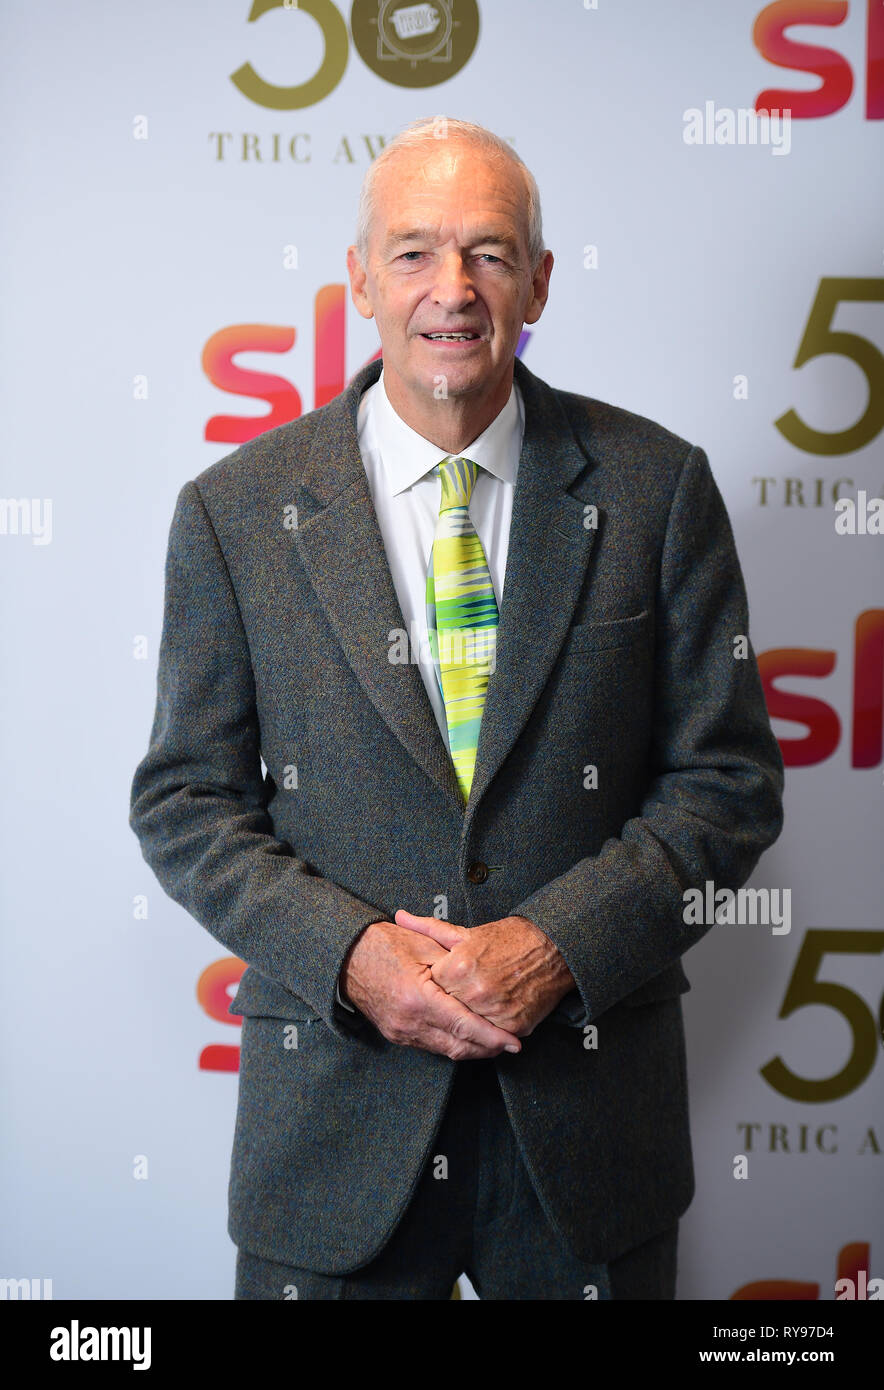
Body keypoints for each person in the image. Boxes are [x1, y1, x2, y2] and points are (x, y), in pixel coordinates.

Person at [129, 116, 784, 1300]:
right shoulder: (236, 513)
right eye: (416, 250)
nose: (453, 289)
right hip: (334, 1134)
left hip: (586, 1137)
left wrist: (554, 948)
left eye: (489, 252)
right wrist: (352, 958)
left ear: (538, 279)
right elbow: (185, 802)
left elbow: (726, 786)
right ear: (359, 276)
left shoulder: (654, 488)